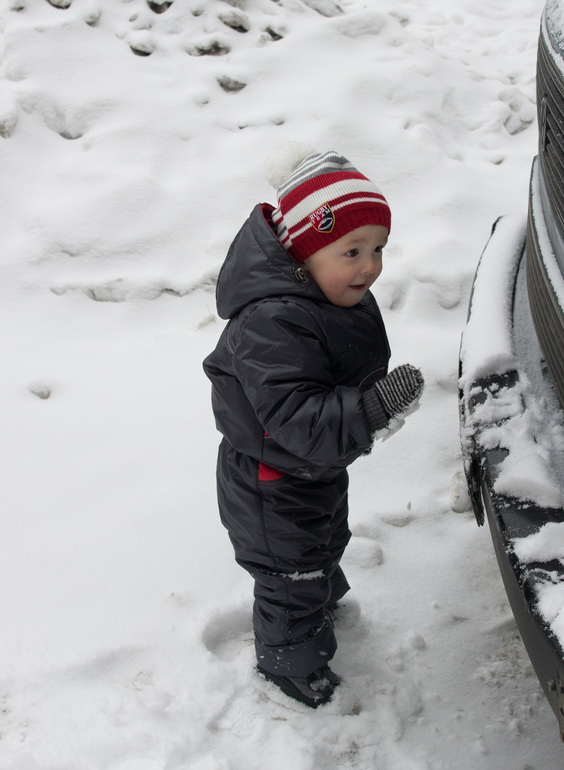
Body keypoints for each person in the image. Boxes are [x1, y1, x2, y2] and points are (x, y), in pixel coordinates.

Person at [203, 144, 423, 708]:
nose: (370, 265)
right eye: (352, 250)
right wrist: (371, 409)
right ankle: (288, 663)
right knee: (288, 575)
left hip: (313, 467)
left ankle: (320, 595)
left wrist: (364, 412)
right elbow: (296, 418)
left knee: (326, 541)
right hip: (269, 479)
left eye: (378, 249)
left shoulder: (332, 294)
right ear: (304, 255)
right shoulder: (272, 321)